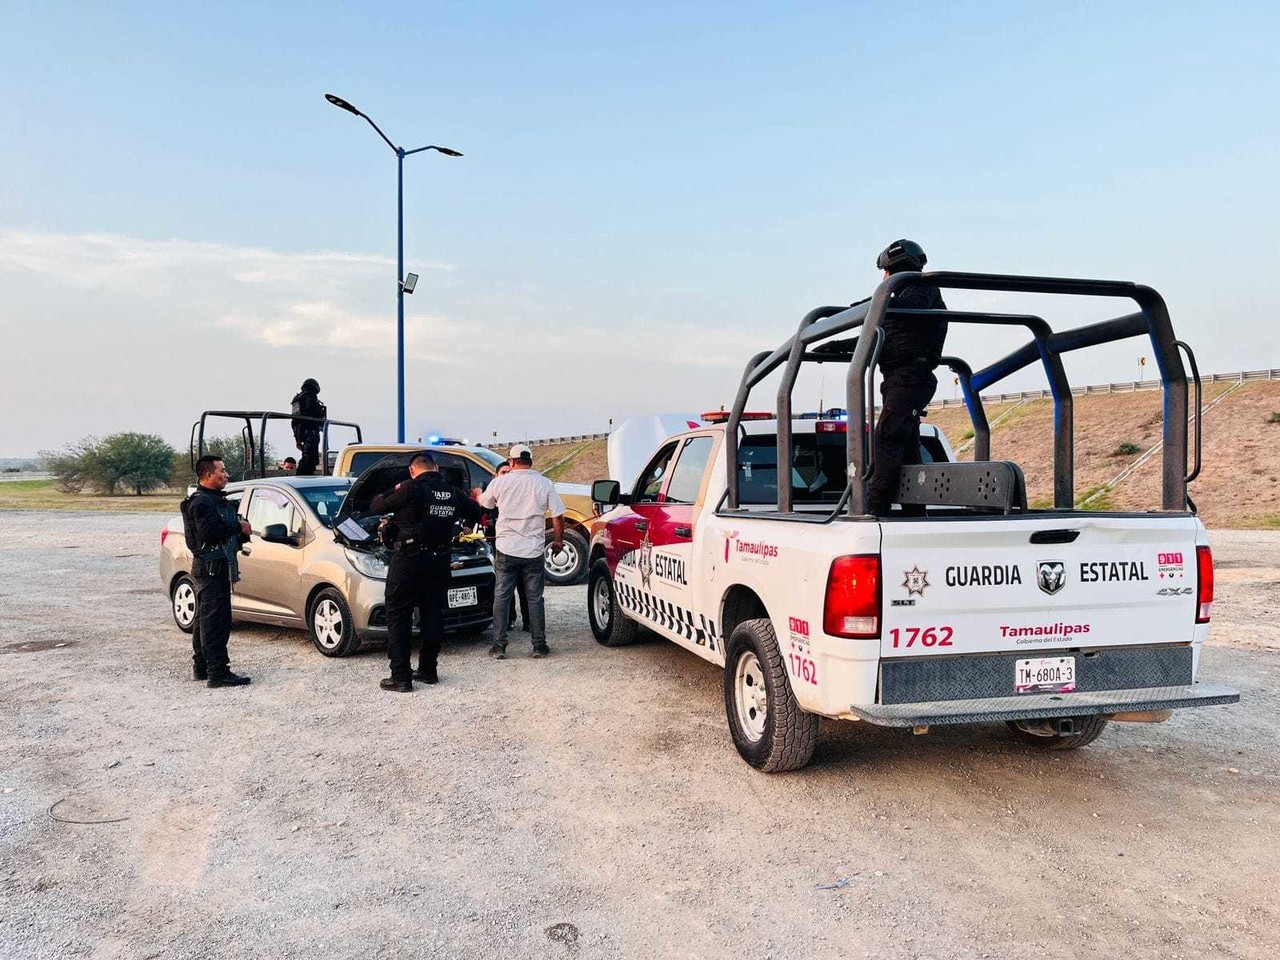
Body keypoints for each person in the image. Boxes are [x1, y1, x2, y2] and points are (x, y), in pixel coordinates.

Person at [369, 452, 483, 692]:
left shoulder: (411, 488)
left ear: (412, 470)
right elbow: (476, 512)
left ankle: (401, 676)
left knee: (398, 614)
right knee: (433, 614)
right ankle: (428, 671)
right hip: (439, 560)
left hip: (409, 560)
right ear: (437, 468)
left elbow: (376, 505)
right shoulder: (451, 491)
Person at [865, 239, 948, 516]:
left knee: (887, 438)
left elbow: (908, 307)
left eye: (886, 273)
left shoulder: (922, 291)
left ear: (896, 269)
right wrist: (834, 345)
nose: (884, 279)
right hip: (899, 379)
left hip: (910, 378)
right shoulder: (896, 303)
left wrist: (879, 301)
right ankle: (914, 511)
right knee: (907, 446)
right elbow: (874, 336)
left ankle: (875, 508)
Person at [478, 444, 566, 660]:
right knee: (535, 598)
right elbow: (558, 516)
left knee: (501, 596)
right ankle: (539, 645)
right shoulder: (544, 483)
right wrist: (558, 540)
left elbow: (486, 503)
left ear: (512, 461)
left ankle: (499, 646)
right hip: (533, 550)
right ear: (531, 461)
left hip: (506, 549)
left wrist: (478, 494)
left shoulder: (501, 481)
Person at [181, 456, 252, 688]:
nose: (226, 475)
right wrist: (237, 527)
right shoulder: (202, 502)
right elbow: (209, 533)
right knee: (215, 623)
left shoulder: (210, 500)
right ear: (208, 475)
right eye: (222, 471)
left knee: (205, 620)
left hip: (213, 569)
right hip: (211, 570)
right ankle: (218, 673)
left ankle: (202, 667)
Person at [290, 378, 327, 476]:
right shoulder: (310, 396)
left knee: (307, 455)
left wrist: (297, 439)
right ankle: (303, 475)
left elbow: (294, 420)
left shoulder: (297, 399)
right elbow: (314, 413)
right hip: (310, 430)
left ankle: (305, 474)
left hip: (300, 432)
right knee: (310, 458)